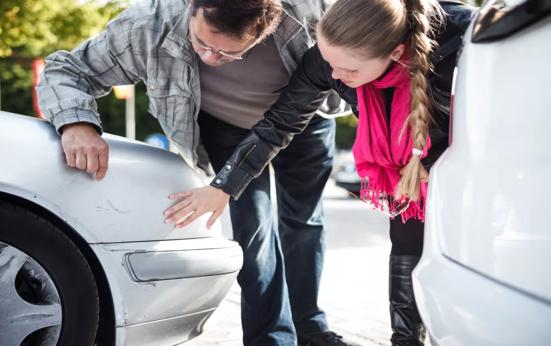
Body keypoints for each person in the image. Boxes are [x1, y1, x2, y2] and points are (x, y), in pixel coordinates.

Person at [37, 0, 354, 345]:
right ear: (192, 7)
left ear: (267, 28)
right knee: (254, 230)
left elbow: (365, 61)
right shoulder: (148, 25)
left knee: (304, 222)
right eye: (203, 43)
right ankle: (272, 338)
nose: (211, 59)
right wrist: (77, 124)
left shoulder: (307, 14)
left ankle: (309, 326)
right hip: (228, 127)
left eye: (230, 54)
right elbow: (65, 69)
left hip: (304, 120)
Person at [164, 0, 475, 344]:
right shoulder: (330, 61)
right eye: (329, 63)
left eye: (349, 72)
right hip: (407, 170)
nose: (335, 77)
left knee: (470, 259)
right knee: (406, 241)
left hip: (474, 167)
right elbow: (278, 124)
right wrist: (223, 186)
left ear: (397, 53)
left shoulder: (463, 47)